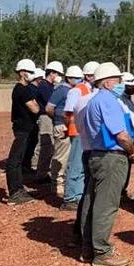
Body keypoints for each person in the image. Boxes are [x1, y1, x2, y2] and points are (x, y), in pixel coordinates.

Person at [77, 62, 134, 266]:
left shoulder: (93, 101)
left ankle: (87, 248)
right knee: (106, 205)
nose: (121, 84)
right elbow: (121, 135)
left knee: (91, 201)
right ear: (110, 82)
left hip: (96, 155)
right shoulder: (108, 101)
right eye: (119, 80)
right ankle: (101, 252)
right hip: (111, 157)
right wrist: (131, 149)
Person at [62, 61, 98, 212]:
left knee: (83, 164)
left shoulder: (89, 90)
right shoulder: (77, 91)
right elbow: (67, 114)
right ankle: (70, 198)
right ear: (89, 76)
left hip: (85, 132)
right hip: (77, 132)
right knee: (76, 164)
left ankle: (78, 194)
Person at [6, 59, 42, 205]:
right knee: (15, 160)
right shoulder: (21, 89)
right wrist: (35, 105)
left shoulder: (26, 89)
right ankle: (15, 192)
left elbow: (35, 106)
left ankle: (18, 189)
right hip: (22, 128)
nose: (32, 75)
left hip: (27, 128)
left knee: (19, 159)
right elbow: (35, 108)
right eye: (30, 72)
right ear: (22, 73)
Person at [48, 64, 79, 197]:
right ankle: (56, 184)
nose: (78, 80)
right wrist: (58, 120)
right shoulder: (61, 90)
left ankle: (62, 182)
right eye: (76, 78)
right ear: (69, 78)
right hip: (61, 126)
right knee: (61, 157)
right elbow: (49, 108)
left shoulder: (72, 91)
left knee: (67, 157)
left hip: (69, 126)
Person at [31, 62, 63, 183]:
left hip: (49, 117)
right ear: (52, 73)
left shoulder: (49, 85)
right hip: (45, 117)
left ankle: (42, 171)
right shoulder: (44, 86)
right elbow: (51, 102)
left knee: (48, 145)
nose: (58, 76)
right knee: (46, 145)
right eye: (57, 73)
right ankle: (41, 174)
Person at [22, 66, 46, 179]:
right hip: (30, 120)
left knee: (33, 142)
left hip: (34, 119)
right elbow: (34, 106)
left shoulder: (34, 88)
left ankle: (27, 164)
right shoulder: (31, 89)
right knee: (29, 142)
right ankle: (25, 165)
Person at [119, 72, 134, 203]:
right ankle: (119, 192)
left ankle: (123, 190)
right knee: (123, 165)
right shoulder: (120, 100)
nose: (132, 88)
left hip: (132, 135)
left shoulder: (128, 99)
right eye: (129, 86)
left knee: (128, 165)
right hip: (125, 136)